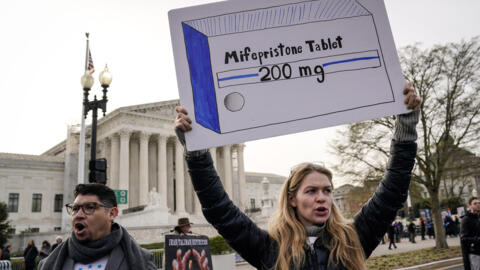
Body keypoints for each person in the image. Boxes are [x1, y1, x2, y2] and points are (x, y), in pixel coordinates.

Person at [175, 83, 421, 269]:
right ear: (292, 198)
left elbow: (391, 194)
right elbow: (220, 210)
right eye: (311, 191)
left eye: (327, 190)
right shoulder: (270, 249)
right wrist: (197, 153)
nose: (322, 198)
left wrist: (407, 128)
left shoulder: (352, 239)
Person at [38, 183, 156, 270]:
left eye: (89, 207)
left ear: (112, 213)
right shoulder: (48, 264)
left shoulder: (142, 261)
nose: (78, 215)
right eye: (75, 209)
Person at [460, 197, 480, 270]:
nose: (478, 205)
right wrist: (477, 239)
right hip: (474, 253)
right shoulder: (466, 220)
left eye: (479, 203)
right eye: (475, 203)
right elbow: (464, 238)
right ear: (469, 206)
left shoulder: (478, 217)